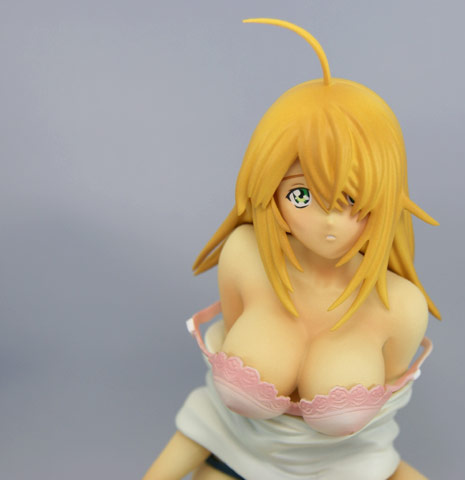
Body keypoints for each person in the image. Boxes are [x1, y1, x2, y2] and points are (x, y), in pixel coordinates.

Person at [143, 18, 440, 480]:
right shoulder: (246, 256)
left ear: (385, 195)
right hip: (229, 457)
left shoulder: (399, 305)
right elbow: (209, 419)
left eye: (351, 200)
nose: (327, 222)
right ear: (269, 187)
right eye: (301, 195)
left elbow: (376, 443)